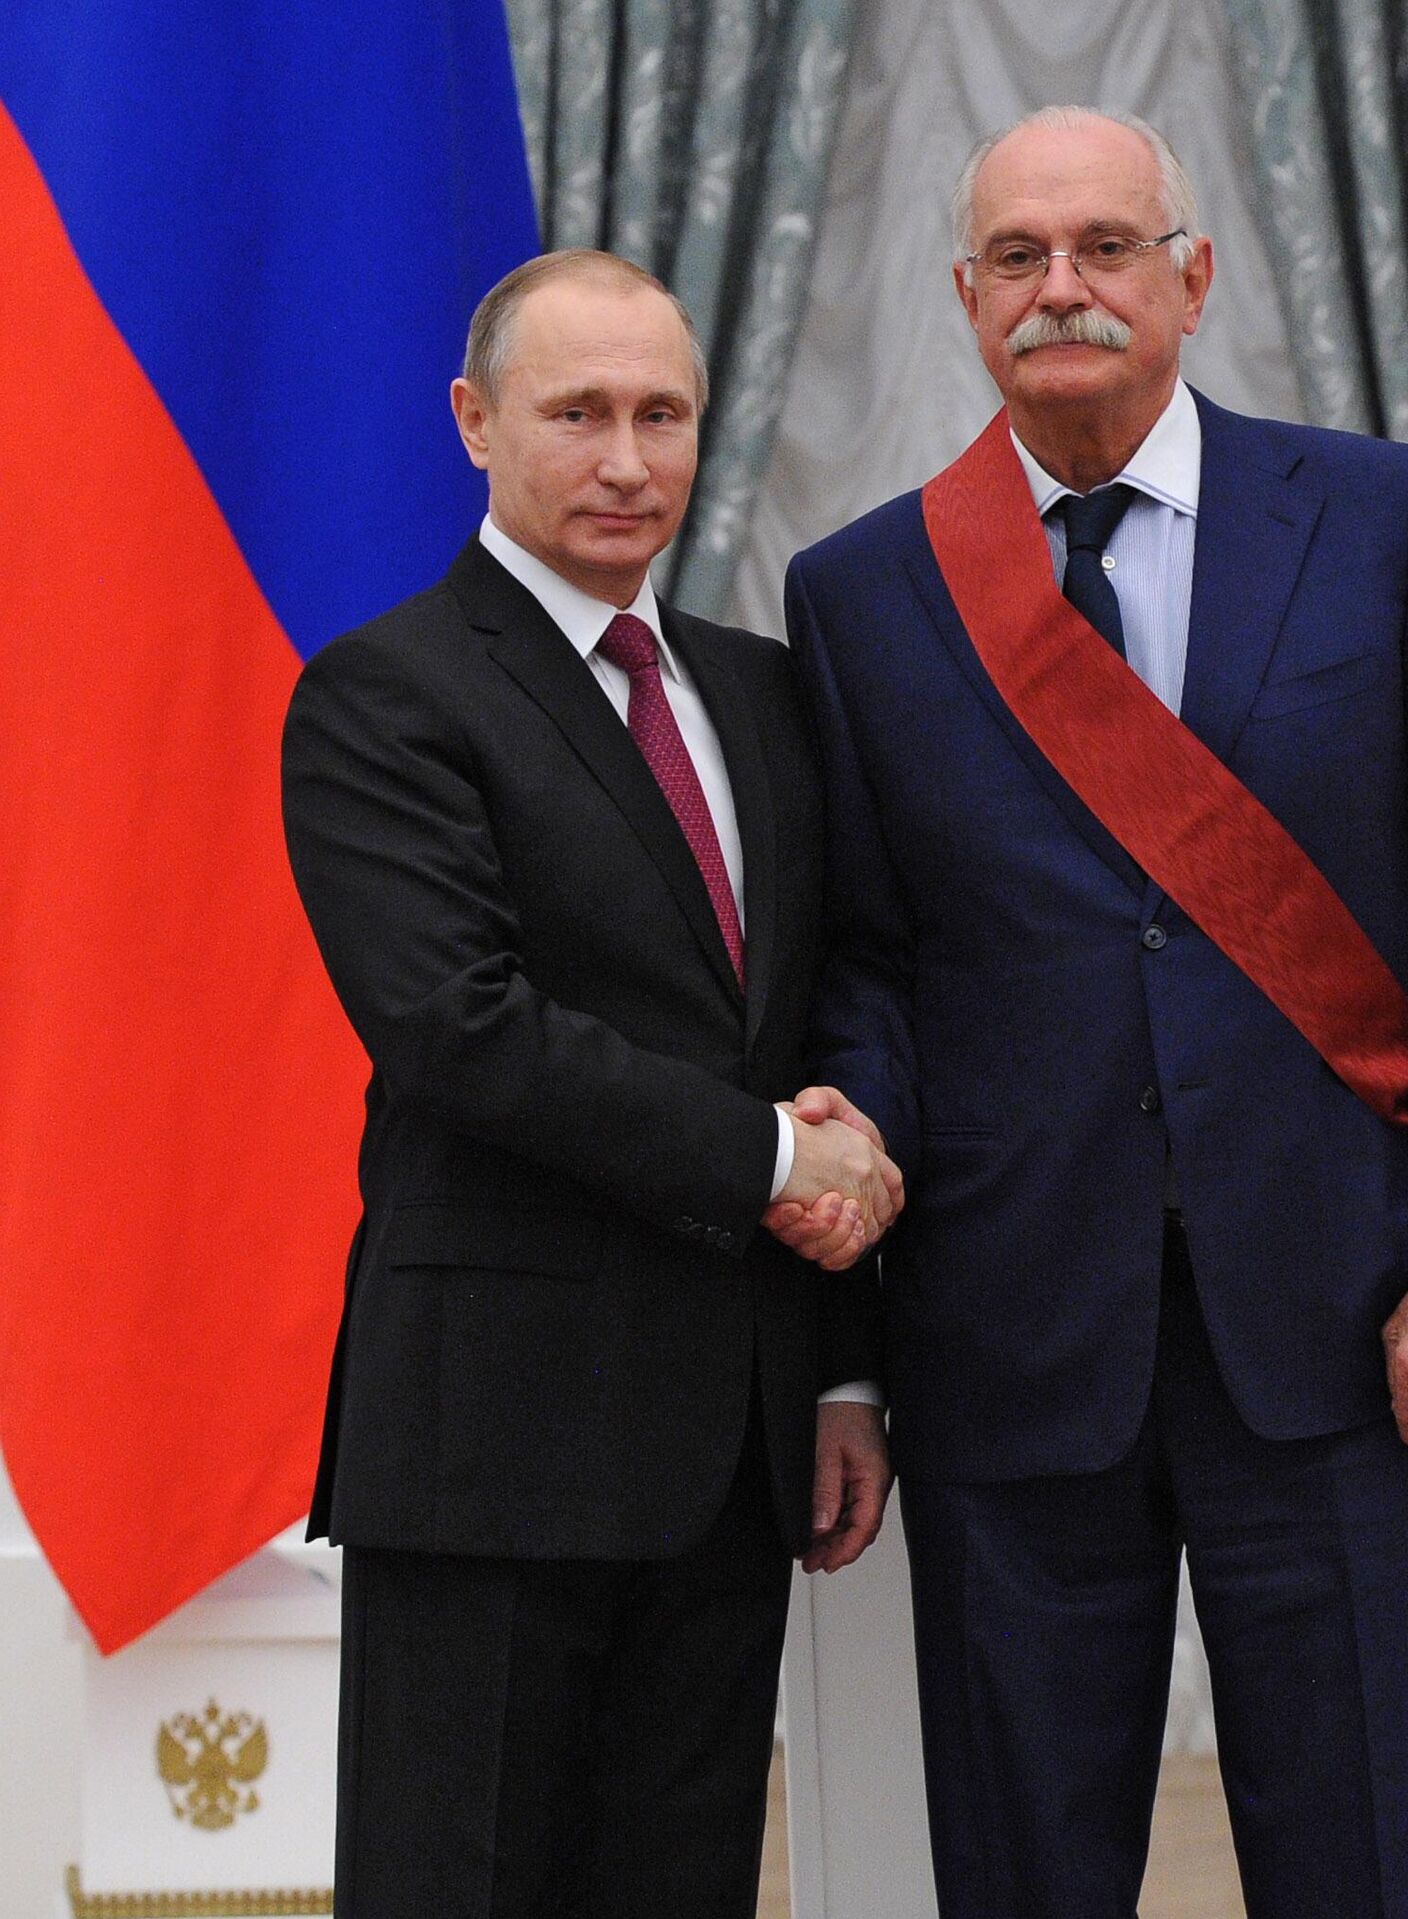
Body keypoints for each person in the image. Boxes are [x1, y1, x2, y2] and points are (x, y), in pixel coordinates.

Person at [775, 109, 1408, 1919]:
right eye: (1017, 256)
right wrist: (854, 1177)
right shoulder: (864, 594)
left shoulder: (1388, 524)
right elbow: (873, 966)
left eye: (1107, 247)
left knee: (1371, 1868)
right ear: (967, 297)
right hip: (1010, 1336)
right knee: (1023, 1874)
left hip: (1358, 1325)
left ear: (1192, 279)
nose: (1061, 288)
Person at [281, 248, 898, 1919]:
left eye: (662, 415)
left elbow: (812, 1024)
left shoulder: (763, 693)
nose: (628, 461)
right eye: (577, 416)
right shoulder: (385, 693)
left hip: (734, 1458)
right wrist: (773, 1160)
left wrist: (842, 1370)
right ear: (475, 423)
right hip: (495, 1450)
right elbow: (459, 1028)